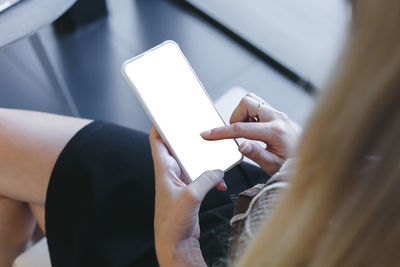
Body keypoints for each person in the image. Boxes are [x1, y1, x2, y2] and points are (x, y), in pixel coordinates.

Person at [1, 0, 399, 266]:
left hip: (201, 250)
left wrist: (177, 252)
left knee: (21, 190)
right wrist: (303, 168)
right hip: (254, 203)